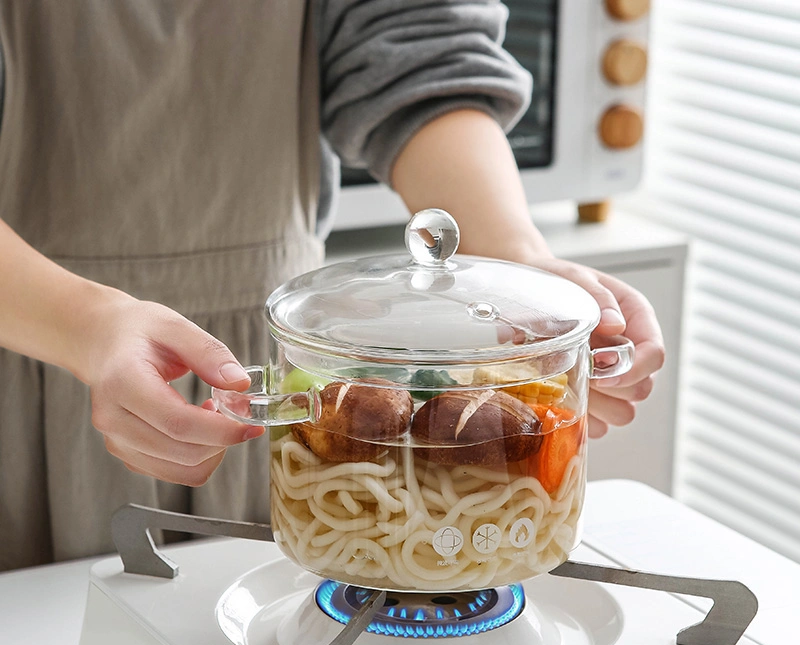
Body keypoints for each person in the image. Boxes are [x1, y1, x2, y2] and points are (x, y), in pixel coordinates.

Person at [0, 1, 664, 572]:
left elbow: (416, 45)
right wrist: (84, 325)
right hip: (27, 339)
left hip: (279, 377)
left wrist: (517, 266)